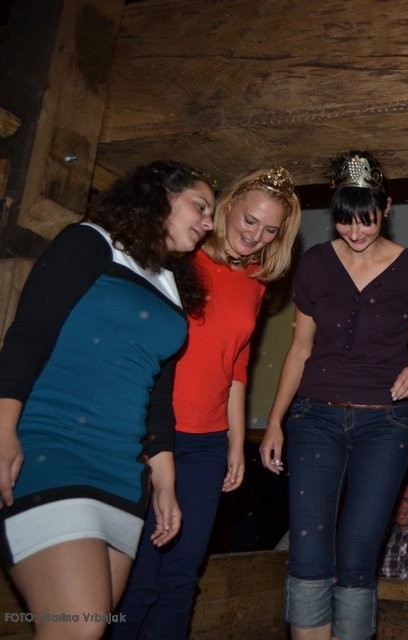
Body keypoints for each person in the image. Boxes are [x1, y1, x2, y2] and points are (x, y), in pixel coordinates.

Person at [0, 160, 214, 639]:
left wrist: (165, 485)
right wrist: (2, 428)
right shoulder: (89, 242)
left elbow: (157, 399)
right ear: (161, 195)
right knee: (80, 626)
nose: (208, 223)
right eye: (200, 207)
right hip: (51, 448)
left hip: (121, 475)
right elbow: (28, 334)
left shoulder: (170, 287)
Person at [113, 167, 302, 638]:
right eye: (250, 220)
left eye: (270, 230)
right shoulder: (179, 259)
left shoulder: (256, 282)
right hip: (149, 433)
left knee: (181, 580)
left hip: (206, 443)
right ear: (227, 207)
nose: (255, 236)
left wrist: (235, 444)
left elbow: (236, 368)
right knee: (139, 579)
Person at [259, 150, 408, 640]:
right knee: (308, 550)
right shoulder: (316, 263)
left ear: (387, 207)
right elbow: (299, 348)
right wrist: (274, 422)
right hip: (314, 417)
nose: (356, 232)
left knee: (358, 552)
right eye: (344, 220)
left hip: (387, 423)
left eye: (367, 220)